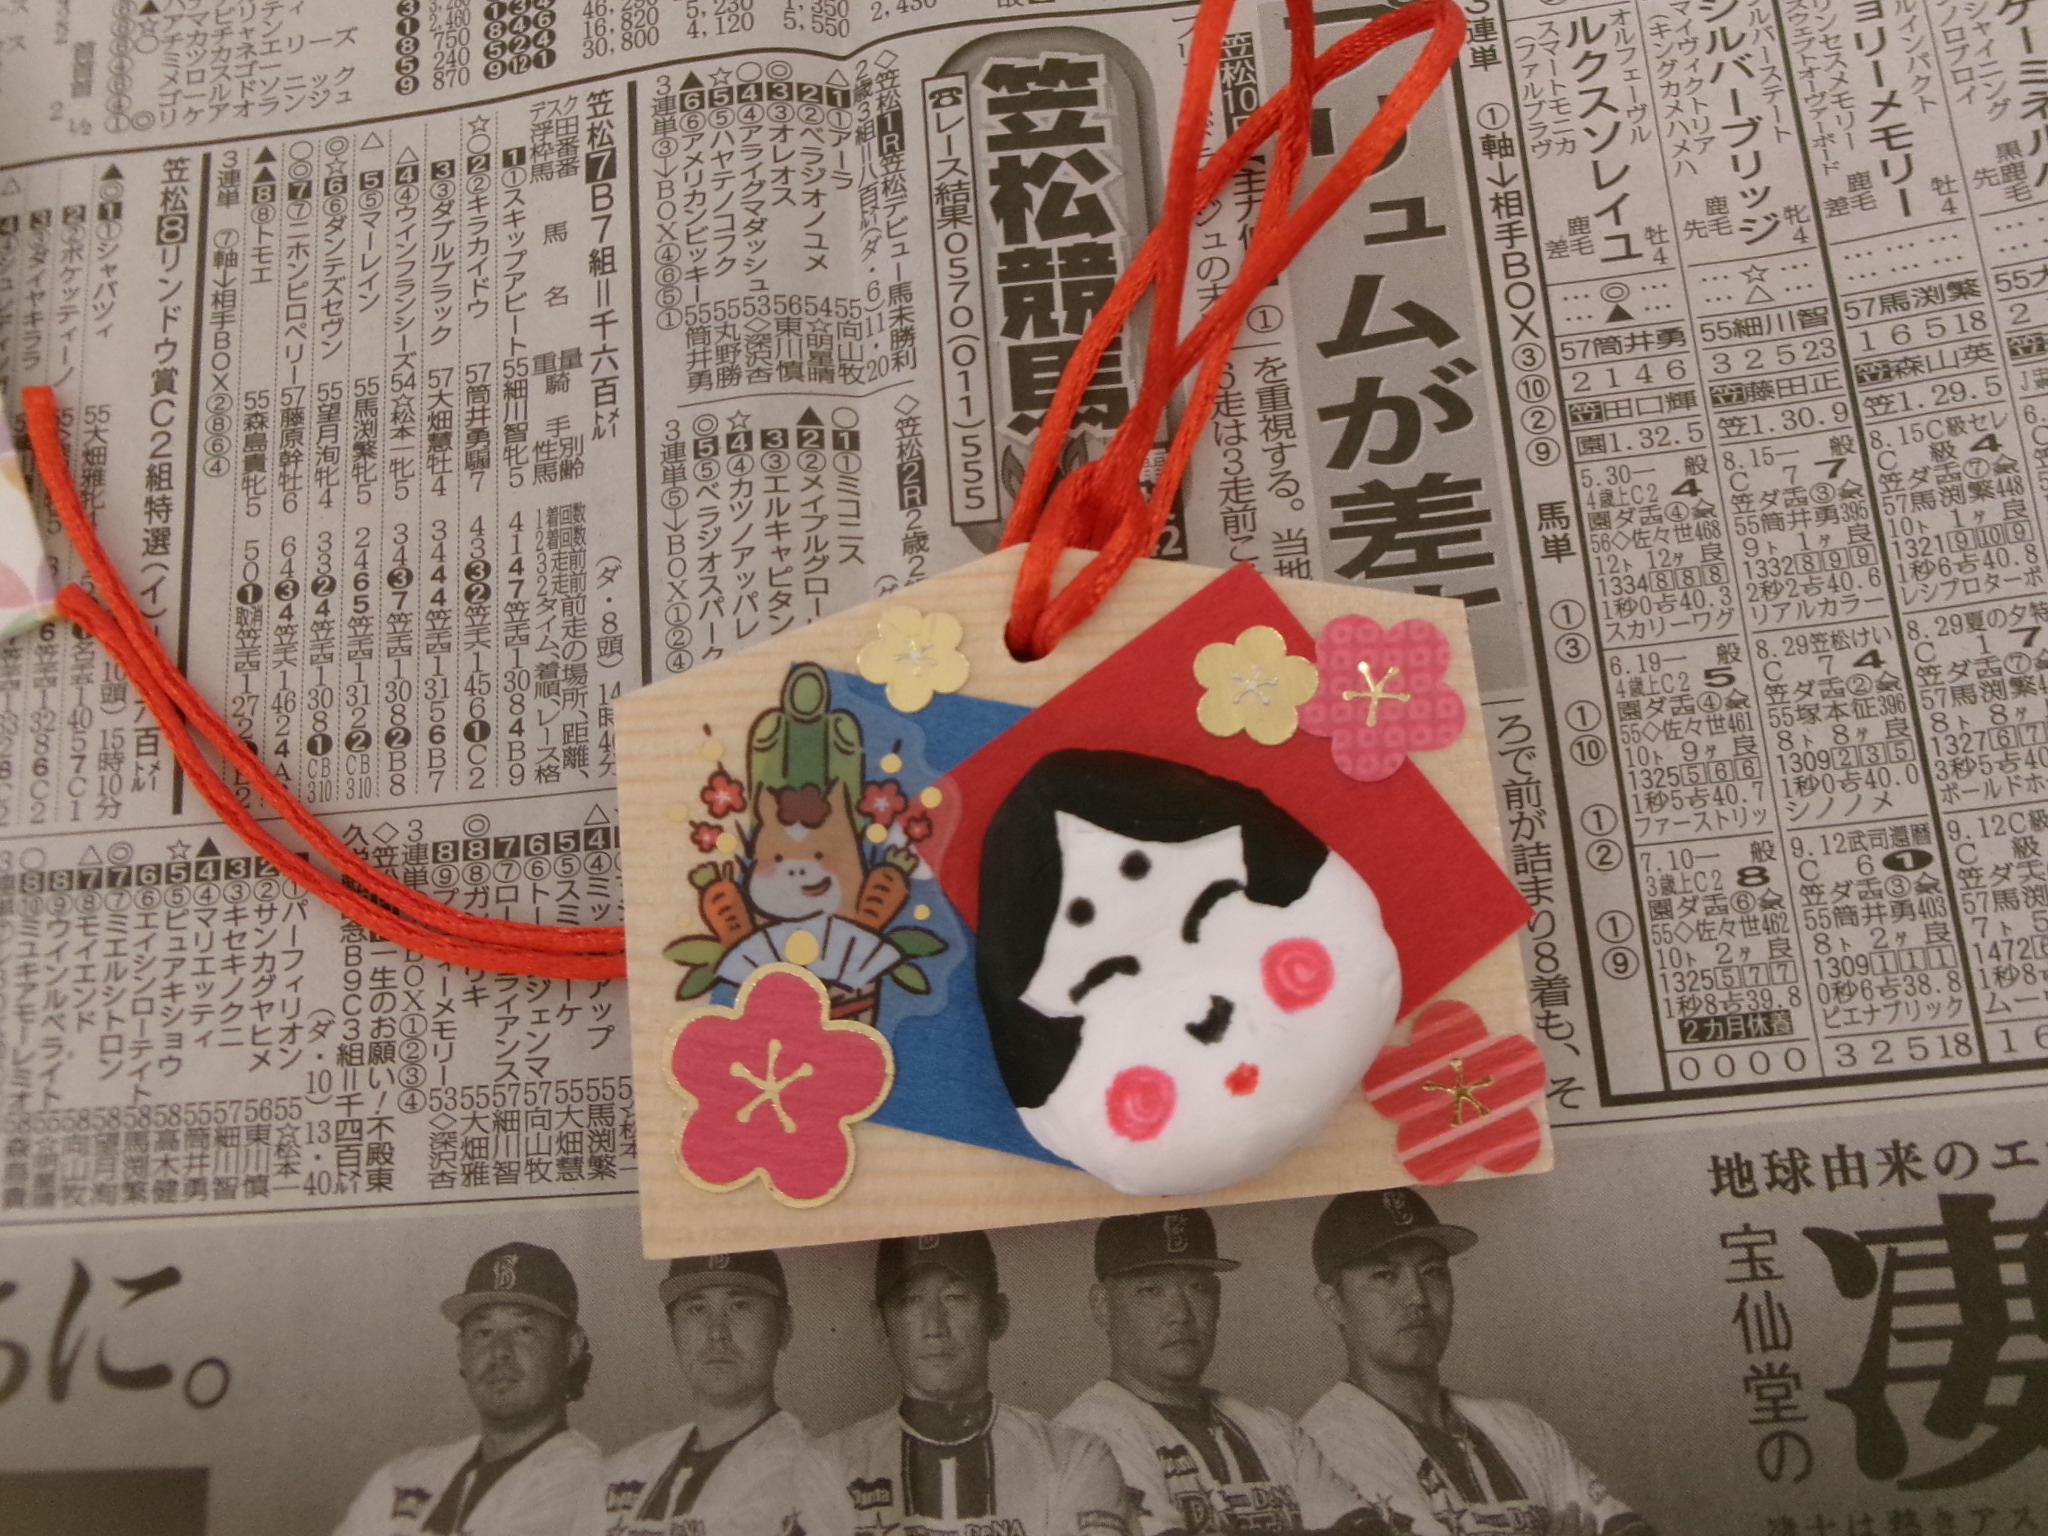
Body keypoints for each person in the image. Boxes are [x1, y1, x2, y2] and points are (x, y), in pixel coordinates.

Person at [1300, 1190, 1656, 1536]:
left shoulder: (1518, 1427)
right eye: (1385, 1276)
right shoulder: (1325, 1445)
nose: (1417, 1297)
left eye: (1432, 1271)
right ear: (1333, 1303)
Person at [1057, 1211, 1393, 1536]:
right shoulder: (1084, 1437)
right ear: (1102, 1305)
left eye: (1197, 1287)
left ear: (1217, 1299)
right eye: (1151, 1290)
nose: (1180, 1313)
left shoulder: (1275, 1430)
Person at [801, 1229, 1133, 1536]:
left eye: (956, 1297)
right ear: (880, 1323)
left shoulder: (1073, 1457)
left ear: (998, 1314)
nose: (934, 1326)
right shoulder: (831, 1465)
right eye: (910, 1300)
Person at [335, 1241, 602, 1536]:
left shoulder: (589, 1484)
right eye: (483, 1332)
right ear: (461, 1349)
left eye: (523, 1330)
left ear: (572, 1347)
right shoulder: (402, 1477)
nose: (499, 1351)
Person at [583, 1251, 813, 1536]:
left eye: (739, 1306)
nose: (717, 1332)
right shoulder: (622, 1472)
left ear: (784, 1326)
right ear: (673, 1330)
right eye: (697, 1309)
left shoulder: (810, 1475)